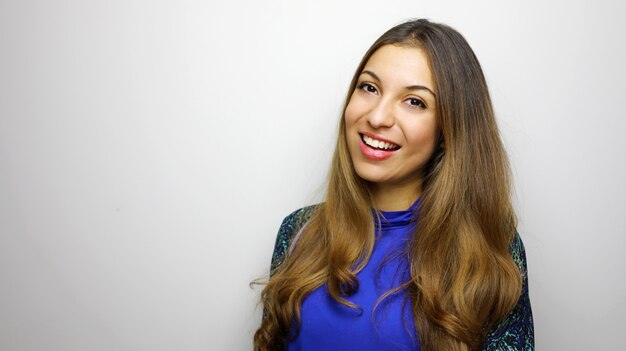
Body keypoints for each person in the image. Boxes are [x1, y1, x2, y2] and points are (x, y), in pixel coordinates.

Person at [254, 19, 534, 351]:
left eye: (415, 101)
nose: (377, 117)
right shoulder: (299, 231)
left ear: (449, 128)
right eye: (369, 88)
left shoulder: (490, 247)